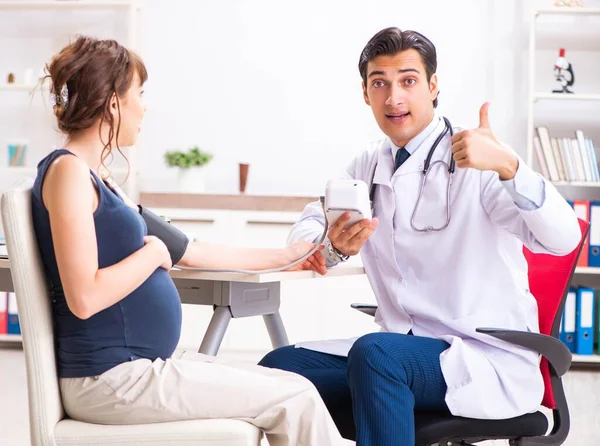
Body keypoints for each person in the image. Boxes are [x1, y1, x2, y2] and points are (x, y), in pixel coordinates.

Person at [258, 27, 582, 446]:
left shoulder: (477, 159)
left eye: (408, 81)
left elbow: (563, 238)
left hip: (481, 357)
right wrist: (330, 248)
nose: (394, 98)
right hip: (404, 352)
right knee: (279, 368)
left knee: (377, 355)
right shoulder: (367, 165)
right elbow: (311, 224)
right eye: (381, 83)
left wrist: (509, 166)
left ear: (432, 86)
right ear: (365, 93)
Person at [30, 35, 352, 446]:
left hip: (135, 369)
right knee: (296, 397)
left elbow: (191, 250)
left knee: (294, 387)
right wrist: (153, 255)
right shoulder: (69, 172)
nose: (144, 107)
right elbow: (85, 296)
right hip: (113, 379)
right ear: (113, 103)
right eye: (139, 94)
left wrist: (293, 255)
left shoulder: (100, 179)